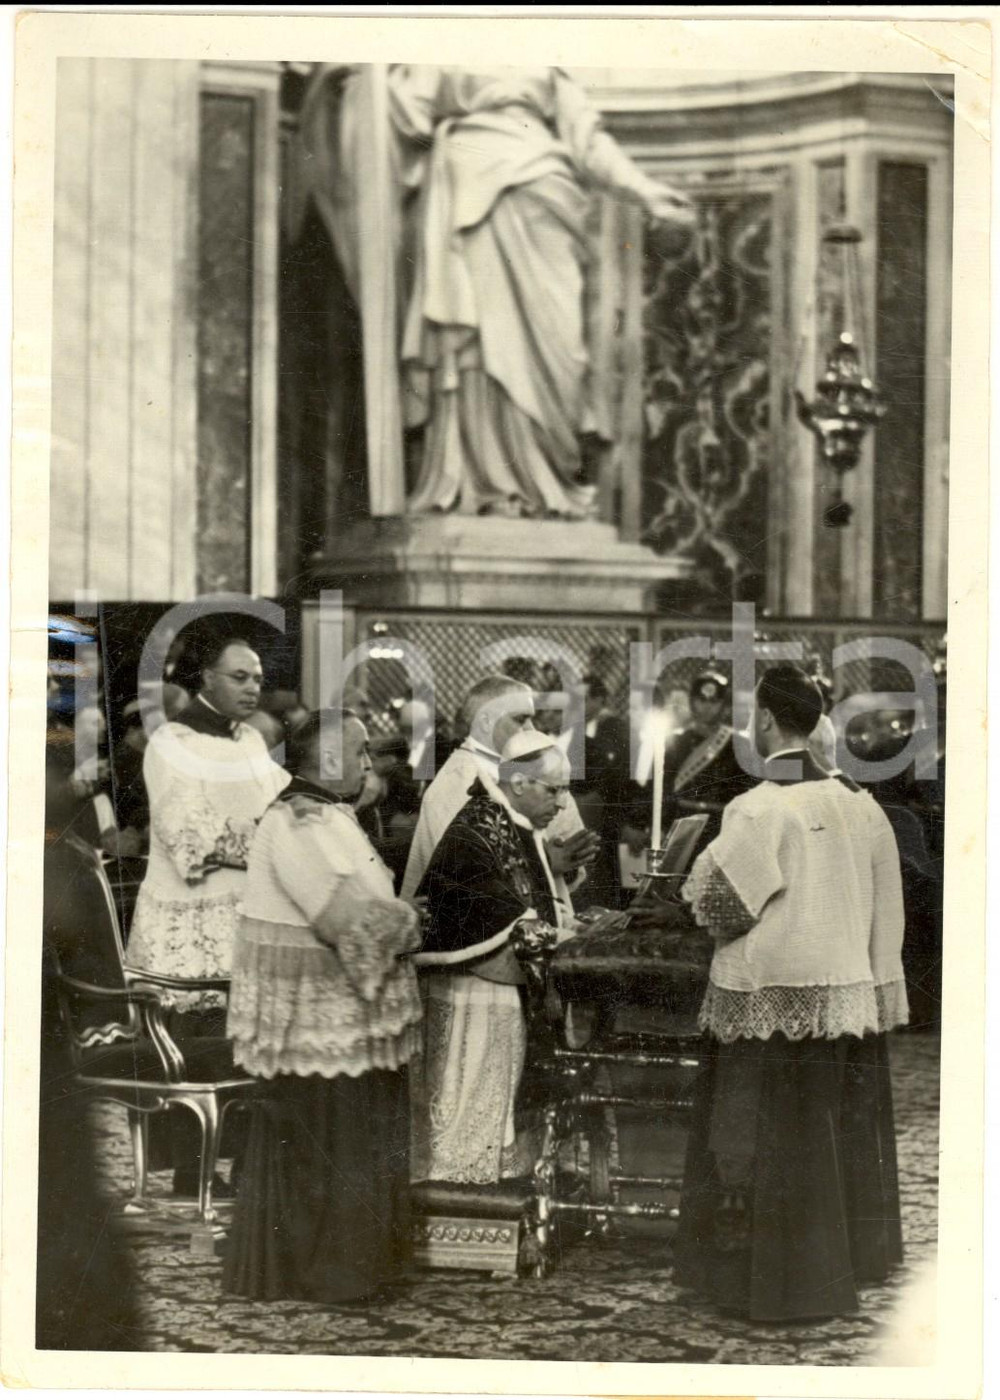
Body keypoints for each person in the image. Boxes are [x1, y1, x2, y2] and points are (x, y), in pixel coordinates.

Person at [297, 64, 695, 519]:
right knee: (477, 341)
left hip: (546, 190)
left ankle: (547, 482)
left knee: (560, 350)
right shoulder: (441, 46)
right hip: (469, 188)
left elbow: (587, 139)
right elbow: (403, 115)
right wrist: (356, 84)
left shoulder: (548, 61)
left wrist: (643, 190)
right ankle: (481, 483)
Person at [669, 664, 908, 1322]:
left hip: (768, 992)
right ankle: (830, 1274)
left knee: (755, 1140)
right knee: (817, 1140)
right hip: (841, 993)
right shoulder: (858, 803)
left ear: (767, 721)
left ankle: (767, 1287)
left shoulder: (762, 806)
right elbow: (887, 911)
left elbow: (720, 905)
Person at [223, 710, 422, 1305]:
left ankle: (362, 1266)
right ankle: (332, 1273)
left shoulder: (330, 814)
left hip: (343, 1013)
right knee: (335, 1143)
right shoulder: (297, 819)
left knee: (357, 1135)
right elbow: (346, 922)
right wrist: (414, 925)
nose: (369, 763)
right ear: (329, 760)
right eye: (360, 752)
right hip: (316, 1022)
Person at [126, 635, 289, 1196]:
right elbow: (187, 835)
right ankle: (192, 1169)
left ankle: (242, 1163)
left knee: (248, 1033)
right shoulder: (173, 742)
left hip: (247, 909)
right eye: (240, 677)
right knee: (199, 1034)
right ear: (206, 679)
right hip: (192, 919)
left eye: (258, 678)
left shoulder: (248, 741)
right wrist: (266, 842)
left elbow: (283, 808)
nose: (252, 688)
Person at [410, 732, 575, 1184]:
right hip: (473, 992)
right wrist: (565, 937)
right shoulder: (479, 828)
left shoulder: (510, 820)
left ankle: (493, 1183)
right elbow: (496, 921)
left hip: (499, 992)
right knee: (467, 1108)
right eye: (554, 789)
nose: (563, 803)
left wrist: (569, 931)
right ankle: (460, 1190)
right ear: (519, 783)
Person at [402, 673, 599, 907]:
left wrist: (568, 862)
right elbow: (468, 881)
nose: (532, 729)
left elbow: (569, 852)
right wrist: (546, 862)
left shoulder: (523, 765)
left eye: (532, 719)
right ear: (486, 722)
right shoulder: (459, 779)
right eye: (521, 719)